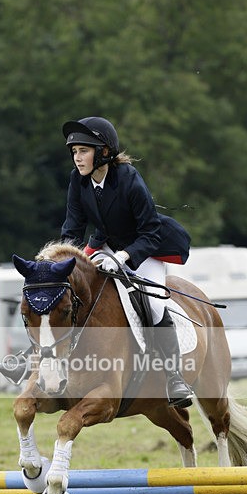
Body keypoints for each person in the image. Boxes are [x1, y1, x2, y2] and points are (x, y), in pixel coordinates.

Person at [61, 116, 194, 408]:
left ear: (104, 152)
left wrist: (123, 258)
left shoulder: (129, 179)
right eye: (74, 152)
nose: (77, 157)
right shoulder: (78, 181)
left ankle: (174, 377)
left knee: (155, 302)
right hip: (105, 244)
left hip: (144, 247)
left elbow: (150, 231)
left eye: (84, 150)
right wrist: (62, 262)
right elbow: (72, 228)